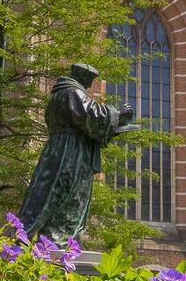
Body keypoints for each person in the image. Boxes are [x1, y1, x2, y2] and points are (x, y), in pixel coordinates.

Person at [18, 63, 133, 244]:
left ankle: (40, 238)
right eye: (88, 81)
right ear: (82, 78)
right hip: (72, 151)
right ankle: (56, 240)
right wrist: (119, 114)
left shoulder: (56, 95)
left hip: (55, 150)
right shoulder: (73, 93)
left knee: (46, 194)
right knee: (71, 195)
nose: (88, 86)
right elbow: (91, 116)